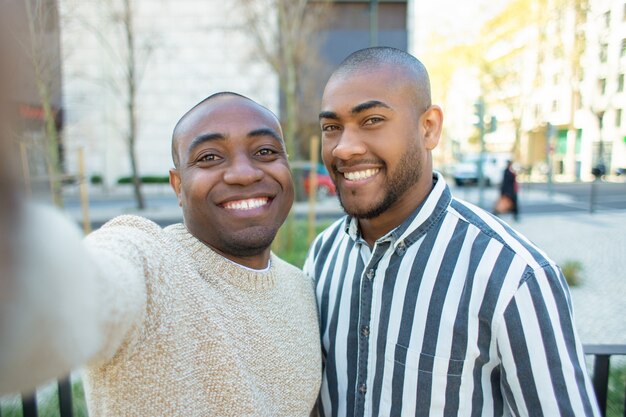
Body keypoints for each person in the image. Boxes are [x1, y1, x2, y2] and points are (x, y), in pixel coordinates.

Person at [304, 47, 599, 416]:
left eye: (372, 120)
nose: (344, 149)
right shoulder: (323, 254)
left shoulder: (513, 276)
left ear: (429, 128)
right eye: (332, 127)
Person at [0, 92, 321, 416]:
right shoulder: (154, 263)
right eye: (210, 157)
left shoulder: (302, 290)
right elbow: (93, 283)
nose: (243, 173)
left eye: (265, 151)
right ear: (177, 185)